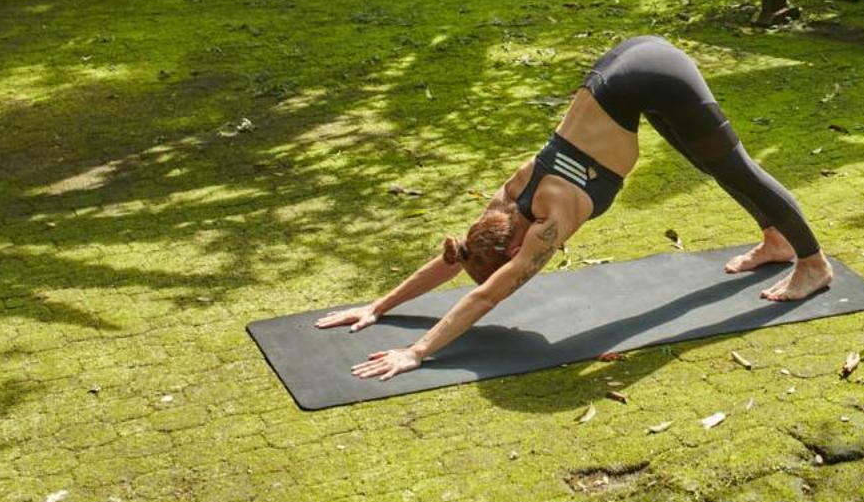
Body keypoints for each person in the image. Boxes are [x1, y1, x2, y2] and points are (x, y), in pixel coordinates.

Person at [316, 35, 832, 381]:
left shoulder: (547, 223)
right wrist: (378, 307)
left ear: (516, 246)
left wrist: (417, 352)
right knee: (714, 166)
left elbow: (485, 298)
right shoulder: (504, 204)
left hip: (653, 74)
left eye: (513, 261)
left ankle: (813, 265)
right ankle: (775, 239)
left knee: (736, 168)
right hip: (627, 70)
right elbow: (454, 257)